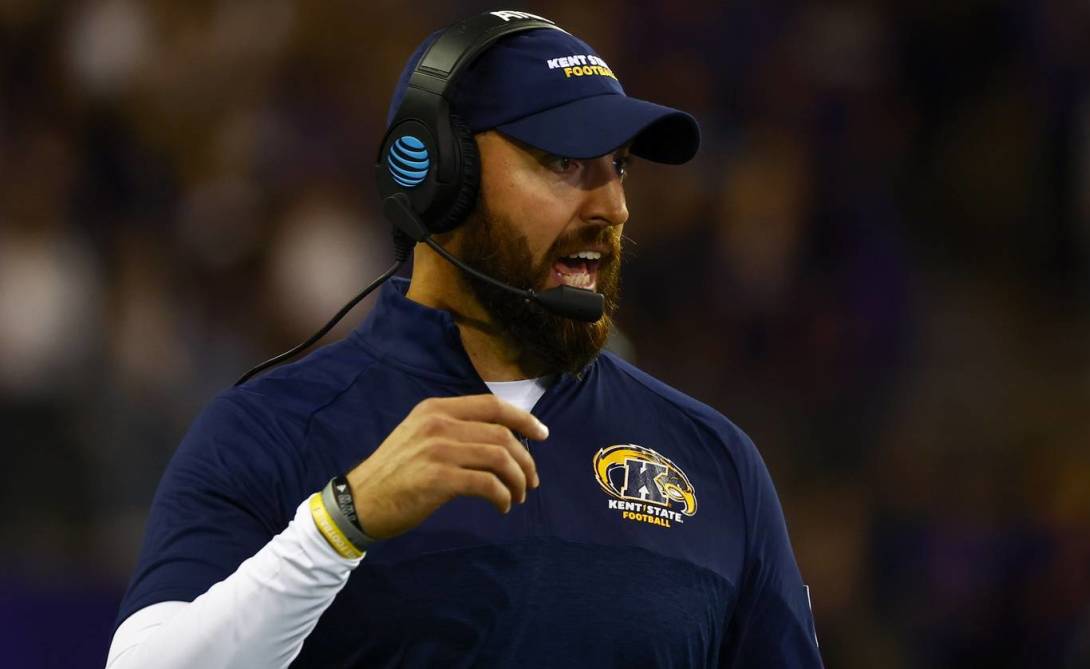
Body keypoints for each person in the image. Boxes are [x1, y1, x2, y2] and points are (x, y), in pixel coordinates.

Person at [107, 11, 823, 668]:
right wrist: (337, 526)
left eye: (620, 166)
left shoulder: (715, 461)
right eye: (565, 163)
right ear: (437, 178)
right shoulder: (272, 433)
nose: (614, 205)